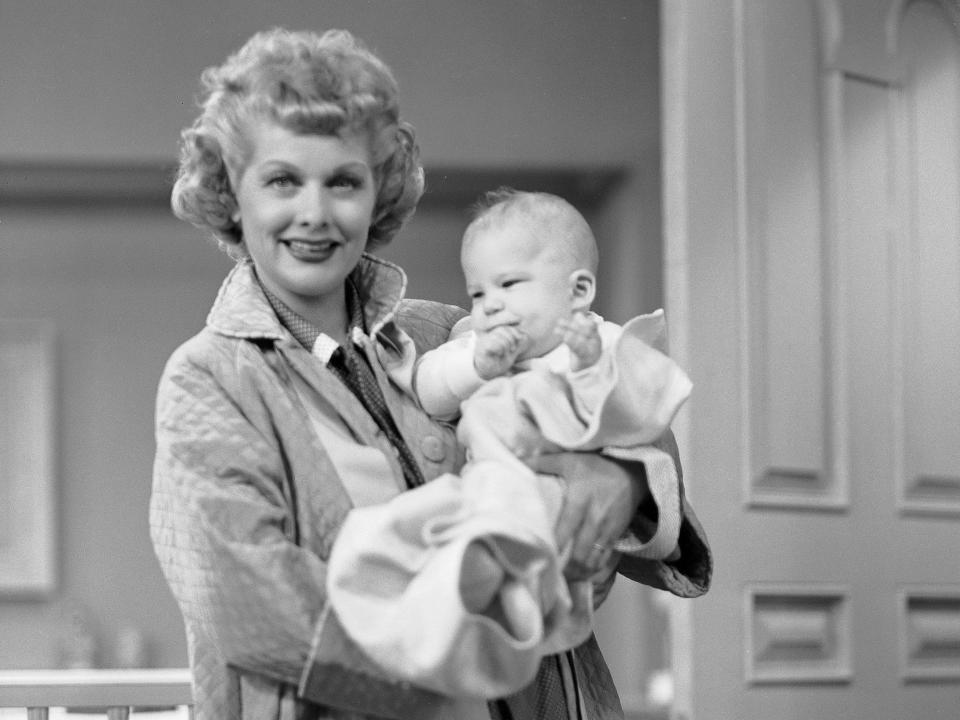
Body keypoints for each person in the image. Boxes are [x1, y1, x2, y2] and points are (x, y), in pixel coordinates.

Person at [149, 26, 712, 720]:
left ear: (377, 194)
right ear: (234, 196)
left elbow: (621, 407)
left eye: (344, 182)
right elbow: (250, 608)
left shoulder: (450, 334)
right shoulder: (208, 381)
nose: (315, 213)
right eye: (282, 181)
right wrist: (461, 669)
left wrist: (622, 480)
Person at [326, 189, 693, 699]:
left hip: (553, 507)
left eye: (509, 285)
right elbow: (431, 388)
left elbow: (643, 418)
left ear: (579, 291)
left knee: (530, 557)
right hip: (491, 488)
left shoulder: (600, 343)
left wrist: (623, 471)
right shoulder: (468, 341)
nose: (489, 305)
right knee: (451, 523)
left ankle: (496, 592)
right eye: (478, 293)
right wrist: (479, 365)